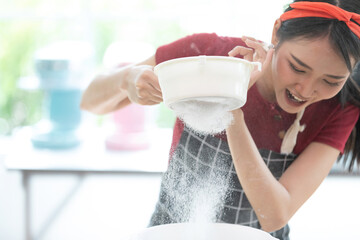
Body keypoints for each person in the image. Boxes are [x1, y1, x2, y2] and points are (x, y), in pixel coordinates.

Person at [80, 0, 360, 239]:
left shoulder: (341, 108)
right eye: (297, 67)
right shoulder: (208, 55)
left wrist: (231, 105)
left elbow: (275, 214)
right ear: (276, 32)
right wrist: (127, 78)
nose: (306, 89)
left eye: (331, 80)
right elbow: (90, 101)